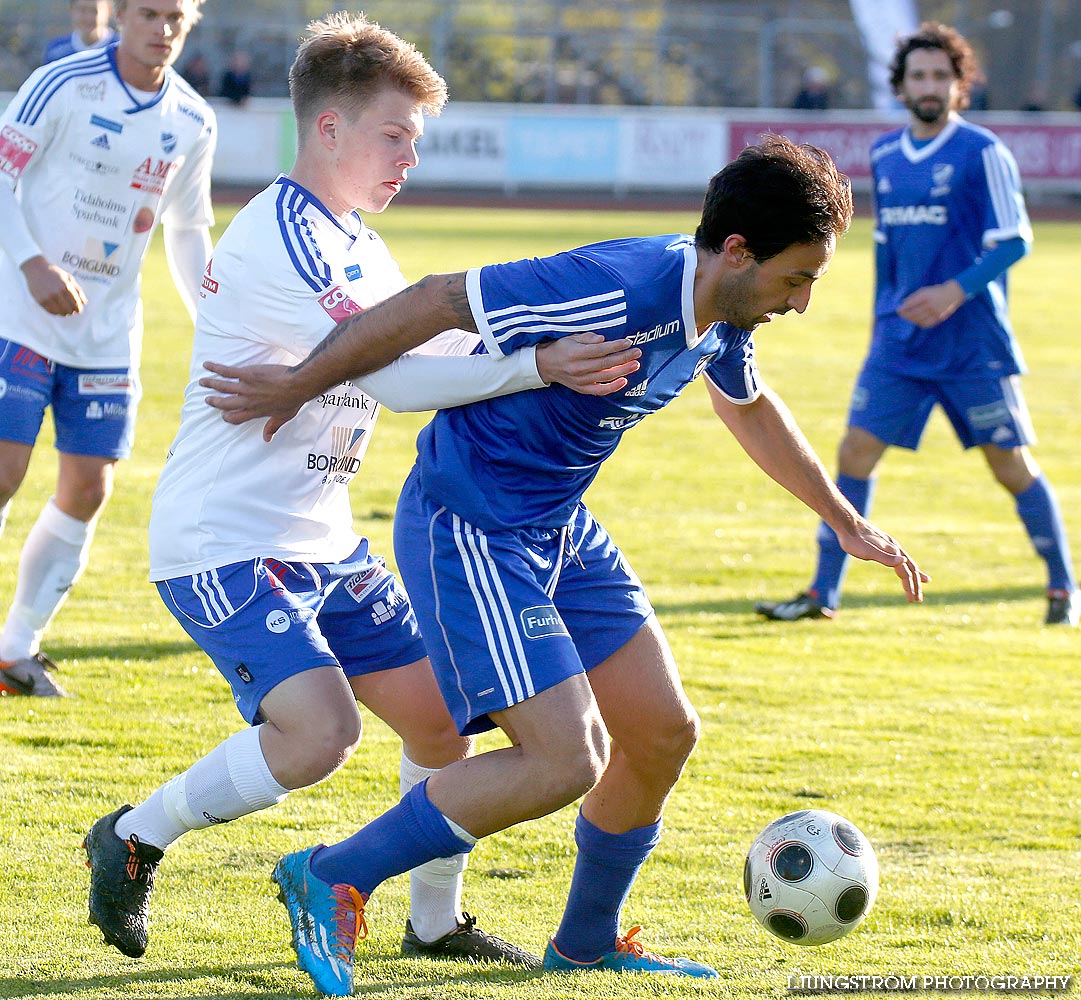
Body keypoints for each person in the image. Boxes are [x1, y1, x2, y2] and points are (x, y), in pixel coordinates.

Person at [200, 134, 927, 994]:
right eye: (796, 278)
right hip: (471, 523)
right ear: (735, 252)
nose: (801, 301)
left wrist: (843, 523)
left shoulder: (722, 313)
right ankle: (332, 874)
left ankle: (584, 943)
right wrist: (301, 382)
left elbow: (750, 406)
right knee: (562, 760)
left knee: (662, 733)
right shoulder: (617, 284)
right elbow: (437, 299)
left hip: (557, 524)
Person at [80, 12, 639, 970]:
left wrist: (550, 341)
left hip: (326, 542)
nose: (408, 160)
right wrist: (539, 364)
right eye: (395, 136)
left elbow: (452, 347)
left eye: (415, 144)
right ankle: (135, 833)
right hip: (225, 539)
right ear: (328, 128)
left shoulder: (357, 244)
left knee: (442, 718)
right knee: (318, 736)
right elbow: (398, 379)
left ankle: (432, 924)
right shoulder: (288, 234)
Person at [756, 22, 1079, 628]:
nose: (929, 86)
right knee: (854, 452)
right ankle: (822, 593)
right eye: (918, 76)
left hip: (971, 345)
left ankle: (1064, 588)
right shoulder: (884, 156)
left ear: (960, 87)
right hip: (900, 344)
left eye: (940, 76)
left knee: (1010, 466)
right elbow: (887, 251)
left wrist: (953, 292)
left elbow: (1014, 242)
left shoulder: (983, 152)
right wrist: (883, 322)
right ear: (900, 87)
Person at [0, 0, 215, 698]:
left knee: (89, 489)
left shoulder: (192, 119)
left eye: (177, 17)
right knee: (4, 472)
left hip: (107, 333)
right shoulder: (61, 82)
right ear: (120, 16)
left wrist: (211, 320)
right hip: (19, 314)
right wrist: (32, 262)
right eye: (149, 13)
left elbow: (186, 231)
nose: (162, 29)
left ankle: (15, 650)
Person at [42, 0, 118, 65]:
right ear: (71, 11)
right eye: (82, 10)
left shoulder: (121, 48)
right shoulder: (56, 51)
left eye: (94, 11)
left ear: (109, 11)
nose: (88, 17)